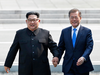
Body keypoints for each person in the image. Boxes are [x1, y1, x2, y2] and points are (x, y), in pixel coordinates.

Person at [58, 8, 94, 75]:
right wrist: (57, 58)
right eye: (72, 17)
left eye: (76, 17)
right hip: (68, 66)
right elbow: (61, 47)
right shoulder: (64, 31)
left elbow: (89, 46)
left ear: (80, 18)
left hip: (82, 65)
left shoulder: (87, 31)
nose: (74, 19)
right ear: (69, 19)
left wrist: (83, 57)